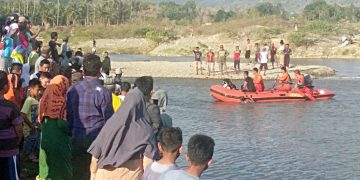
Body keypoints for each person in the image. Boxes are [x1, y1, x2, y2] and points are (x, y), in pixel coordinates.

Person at [88, 76, 158, 180]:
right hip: (130, 175)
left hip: (104, 174)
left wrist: (93, 175)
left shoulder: (110, 125)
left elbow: (96, 155)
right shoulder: (145, 130)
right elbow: (148, 164)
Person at [66, 54, 114, 180]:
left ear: (83, 70)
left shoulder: (72, 90)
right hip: (96, 140)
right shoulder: (104, 92)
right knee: (95, 173)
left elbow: (69, 116)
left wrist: (70, 134)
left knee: (77, 172)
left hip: (77, 136)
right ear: (100, 71)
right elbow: (109, 120)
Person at [37, 75, 72, 180]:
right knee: (60, 171)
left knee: (45, 167)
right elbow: (62, 124)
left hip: (45, 139)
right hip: (58, 143)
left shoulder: (43, 100)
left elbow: (39, 119)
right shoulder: (61, 102)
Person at [0, 70, 24, 180]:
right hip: (9, 150)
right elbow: (19, 130)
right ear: (5, 87)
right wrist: (17, 142)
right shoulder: (11, 107)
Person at [21, 79, 41, 163]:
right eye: (37, 90)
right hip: (30, 129)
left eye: (40, 89)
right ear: (31, 89)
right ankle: (24, 157)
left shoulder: (36, 100)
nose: (39, 92)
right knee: (29, 143)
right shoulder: (29, 100)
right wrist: (31, 126)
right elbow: (23, 114)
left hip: (35, 127)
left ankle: (31, 155)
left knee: (34, 142)